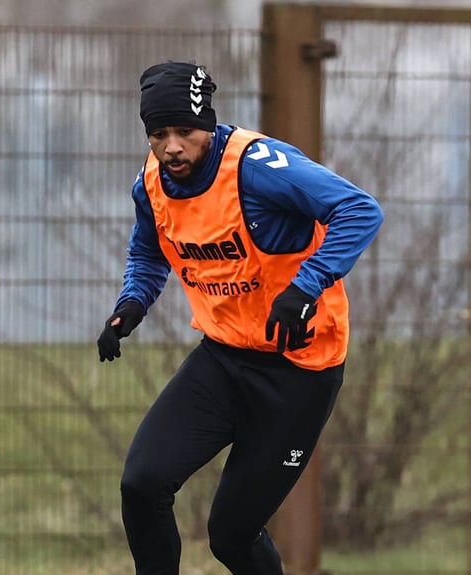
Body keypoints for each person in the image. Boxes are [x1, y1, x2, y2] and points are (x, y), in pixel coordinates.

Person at [97, 61, 383, 574]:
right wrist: (132, 304)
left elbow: (360, 210)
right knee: (142, 485)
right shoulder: (152, 183)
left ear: (207, 124)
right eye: (158, 135)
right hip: (223, 360)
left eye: (184, 132)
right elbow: (148, 250)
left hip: (298, 372)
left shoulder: (258, 168)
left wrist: (305, 287)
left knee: (231, 535)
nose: (171, 147)